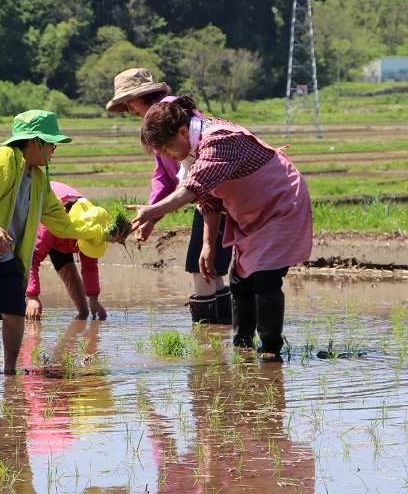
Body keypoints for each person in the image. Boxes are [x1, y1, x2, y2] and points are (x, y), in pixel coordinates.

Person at [0, 110, 121, 375]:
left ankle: (10, 372)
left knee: (14, 309)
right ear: (33, 141)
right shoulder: (2, 159)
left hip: (4, 251)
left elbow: (62, 222)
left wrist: (102, 234)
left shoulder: (40, 178)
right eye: (51, 143)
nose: (54, 149)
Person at [127, 96, 313, 359]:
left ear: (182, 132)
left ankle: (271, 351)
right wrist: (208, 245)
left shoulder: (219, 139)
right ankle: (242, 345)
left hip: (280, 203)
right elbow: (209, 199)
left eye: (167, 149)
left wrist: (151, 212)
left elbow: (192, 189)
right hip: (251, 210)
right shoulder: (193, 151)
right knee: (240, 279)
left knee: (265, 277)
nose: (168, 157)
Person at [106, 68, 233, 324]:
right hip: (206, 194)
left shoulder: (171, 115)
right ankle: (223, 333)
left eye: (129, 103)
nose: (130, 110)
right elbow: (163, 176)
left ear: (145, 96)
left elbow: (186, 169)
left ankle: (205, 340)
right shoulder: (159, 119)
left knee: (201, 264)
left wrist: (152, 213)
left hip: (213, 193)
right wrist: (151, 216)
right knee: (212, 266)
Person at [26, 181, 110, 321]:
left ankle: (82, 314)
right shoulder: (49, 226)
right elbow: (30, 260)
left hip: (66, 236)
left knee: (70, 275)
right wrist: (33, 296)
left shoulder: (90, 223)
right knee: (11, 271)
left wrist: (94, 298)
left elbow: (89, 266)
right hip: (35, 219)